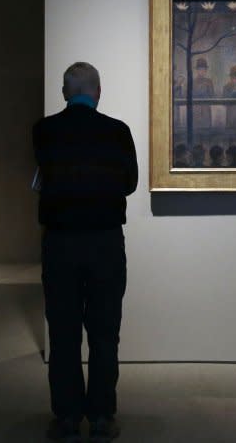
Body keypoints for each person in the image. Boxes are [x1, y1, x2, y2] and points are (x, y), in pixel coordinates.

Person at [33, 62, 138, 442]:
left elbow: (44, 176)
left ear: (65, 91)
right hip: (105, 241)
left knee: (62, 333)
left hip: (60, 242)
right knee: (104, 332)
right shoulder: (118, 132)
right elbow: (130, 184)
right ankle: (101, 416)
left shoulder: (45, 131)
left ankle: (66, 416)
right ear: (98, 91)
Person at [192, 57, 214, 132]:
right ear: (197, 70)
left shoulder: (209, 82)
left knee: (207, 132)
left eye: (204, 70)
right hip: (196, 111)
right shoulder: (193, 82)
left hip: (206, 111)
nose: (202, 71)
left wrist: (207, 87)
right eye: (201, 69)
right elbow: (191, 95)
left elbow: (212, 95)